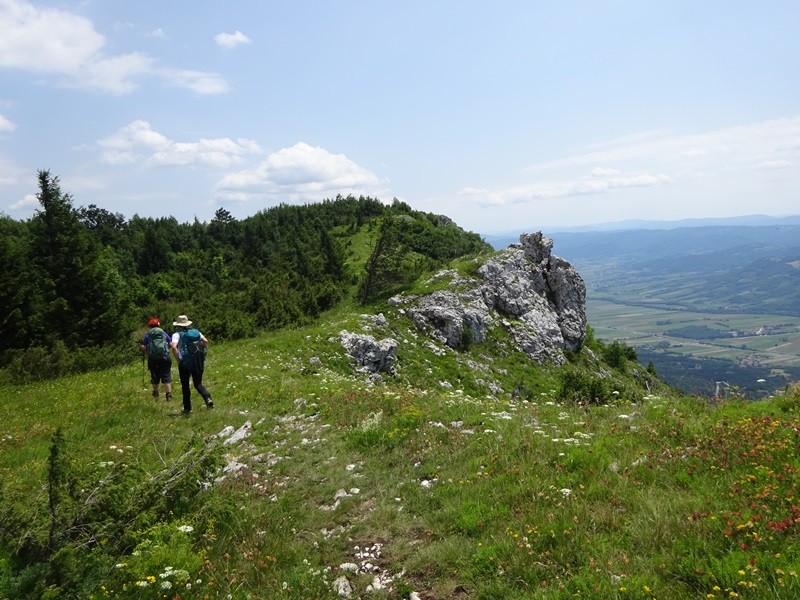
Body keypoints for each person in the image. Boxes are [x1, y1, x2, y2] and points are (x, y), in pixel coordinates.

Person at [171, 314, 213, 414]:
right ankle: (208, 399)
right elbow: (205, 341)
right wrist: (203, 354)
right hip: (198, 361)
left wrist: (178, 360)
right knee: (198, 383)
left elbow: (173, 347)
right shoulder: (196, 332)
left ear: (178, 325)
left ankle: (187, 408)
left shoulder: (177, 335)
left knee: (185, 385)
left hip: (185, 363)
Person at [139, 317, 173, 401]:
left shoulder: (148, 334)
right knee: (166, 375)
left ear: (149, 326)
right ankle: (168, 395)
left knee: (154, 375)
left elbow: (144, 347)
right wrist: (166, 349)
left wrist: (142, 347)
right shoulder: (163, 333)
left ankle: (156, 392)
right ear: (159, 325)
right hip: (165, 357)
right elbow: (171, 344)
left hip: (153, 358)